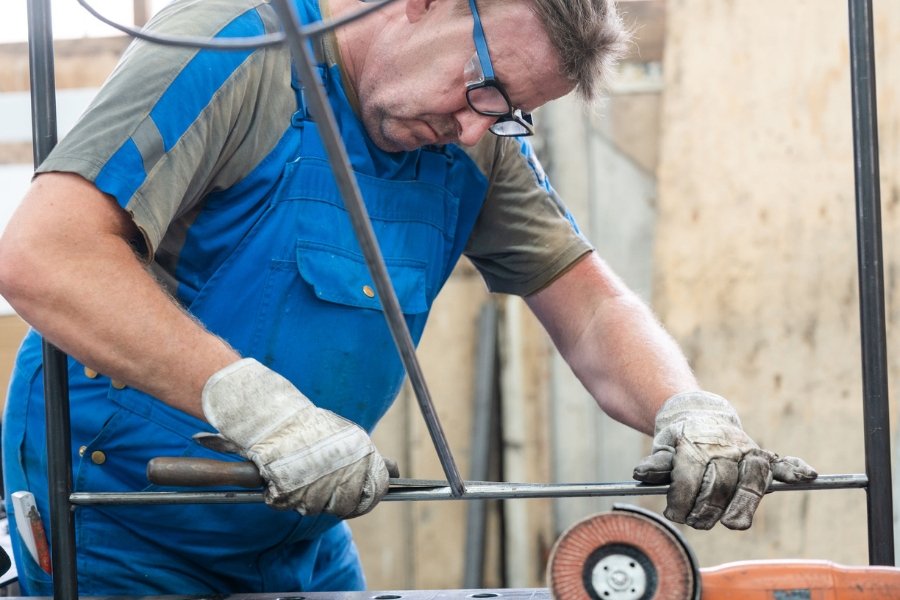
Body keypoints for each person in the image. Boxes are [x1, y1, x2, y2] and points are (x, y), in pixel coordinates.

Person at [0, 0, 816, 595]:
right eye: (482, 87)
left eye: (508, 113)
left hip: (298, 535)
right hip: (120, 530)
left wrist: (689, 406)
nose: (474, 128)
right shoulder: (237, 49)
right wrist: (264, 412)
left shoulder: (477, 138)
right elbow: (44, 254)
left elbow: (594, 305)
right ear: (415, 5)